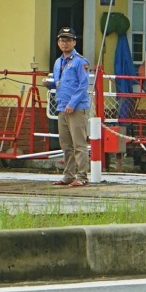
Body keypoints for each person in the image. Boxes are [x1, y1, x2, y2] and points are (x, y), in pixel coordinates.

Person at [52, 28, 92, 186]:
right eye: (62, 40)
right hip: (62, 107)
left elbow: (83, 85)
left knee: (79, 144)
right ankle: (68, 175)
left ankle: (82, 176)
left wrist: (72, 103)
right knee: (66, 144)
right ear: (58, 42)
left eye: (68, 40)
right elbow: (59, 83)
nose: (64, 43)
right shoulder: (58, 62)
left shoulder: (80, 61)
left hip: (76, 108)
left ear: (74, 42)